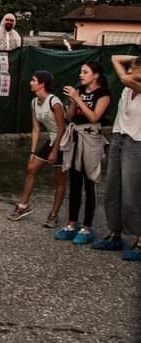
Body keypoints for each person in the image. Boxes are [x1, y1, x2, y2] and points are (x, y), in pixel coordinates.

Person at [55, 62, 112, 245]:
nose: (81, 74)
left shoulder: (103, 94)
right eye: (81, 71)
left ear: (95, 75)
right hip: (75, 136)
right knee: (75, 181)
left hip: (91, 137)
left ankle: (87, 228)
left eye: (85, 72)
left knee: (89, 182)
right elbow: (70, 117)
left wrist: (78, 99)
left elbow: (95, 117)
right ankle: (72, 224)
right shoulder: (79, 90)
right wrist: (73, 101)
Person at [92, 55, 141, 259]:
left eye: (135, 69)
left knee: (132, 193)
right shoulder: (128, 88)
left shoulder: (132, 84)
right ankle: (115, 234)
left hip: (136, 141)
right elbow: (114, 58)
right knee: (112, 189)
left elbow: (123, 76)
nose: (129, 72)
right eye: (129, 69)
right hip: (119, 137)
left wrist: (131, 72)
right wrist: (135, 60)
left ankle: (139, 240)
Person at [8, 71, 68, 226]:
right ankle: (23, 206)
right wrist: (33, 152)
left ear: (42, 84)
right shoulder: (34, 102)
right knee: (31, 168)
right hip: (51, 139)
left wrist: (55, 150)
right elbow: (36, 129)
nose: (31, 82)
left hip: (65, 141)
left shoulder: (54, 102)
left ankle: (53, 215)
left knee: (59, 179)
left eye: (34, 80)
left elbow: (62, 128)